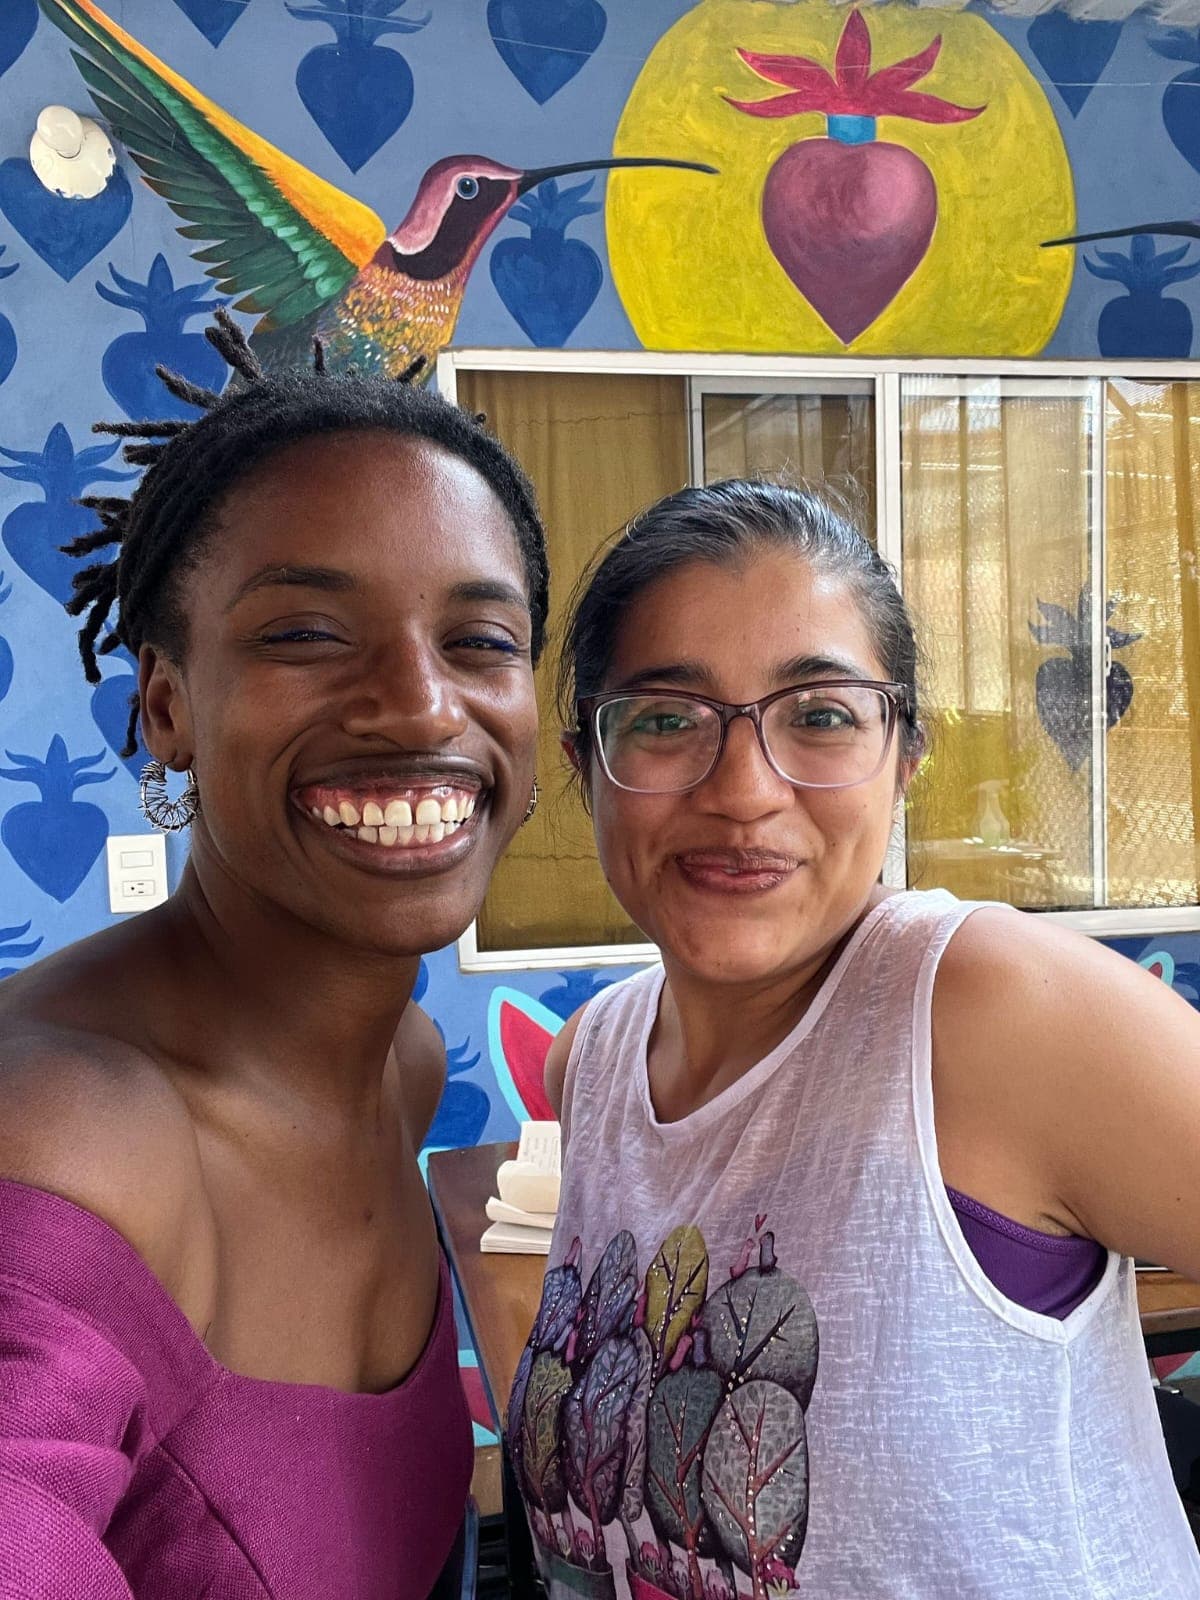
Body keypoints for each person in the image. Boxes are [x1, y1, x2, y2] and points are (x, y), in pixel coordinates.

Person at [506, 479, 1200, 1599]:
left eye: (820, 716)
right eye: (668, 718)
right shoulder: (588, 1060)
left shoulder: (988, 1010)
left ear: (904, 758)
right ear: (589, 765)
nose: (742, 791)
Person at [0, 311, 547, 1599]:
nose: (421, 702)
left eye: (480, 640)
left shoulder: (401, 1066)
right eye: (305, 633)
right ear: (169, 707)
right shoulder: (69, 1134)